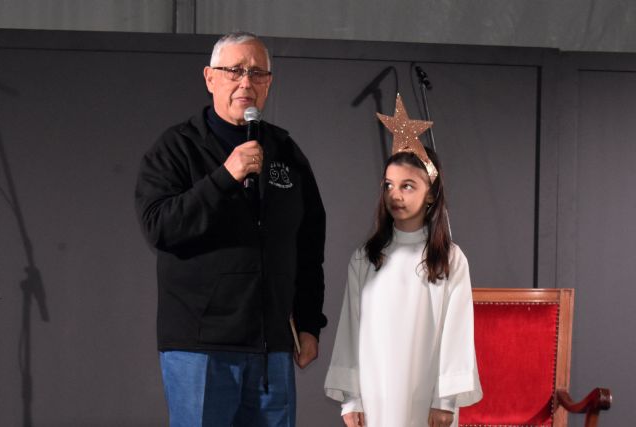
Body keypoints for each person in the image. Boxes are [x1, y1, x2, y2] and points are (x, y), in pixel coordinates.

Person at [135, 31, 327, 427]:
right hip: (200, 347)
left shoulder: (286, 151)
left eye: (258, 73)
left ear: (269, 83)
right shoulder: (176, 148)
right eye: (235, 71)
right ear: (210, 78)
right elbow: (160, 226)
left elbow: (309, 245)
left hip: (271, 347)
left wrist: (308, 323)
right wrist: (226, 176)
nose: (246, 82)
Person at [324, 118, 482, 426]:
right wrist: (351, 400)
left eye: (408, 186)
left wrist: (444, 401)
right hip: (374, 392)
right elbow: (350, 330)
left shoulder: (449, 259)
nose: (396, 195)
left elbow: (457, 332)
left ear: (431, 194)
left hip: (428, 396)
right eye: (389, 185)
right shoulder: (366, 258)